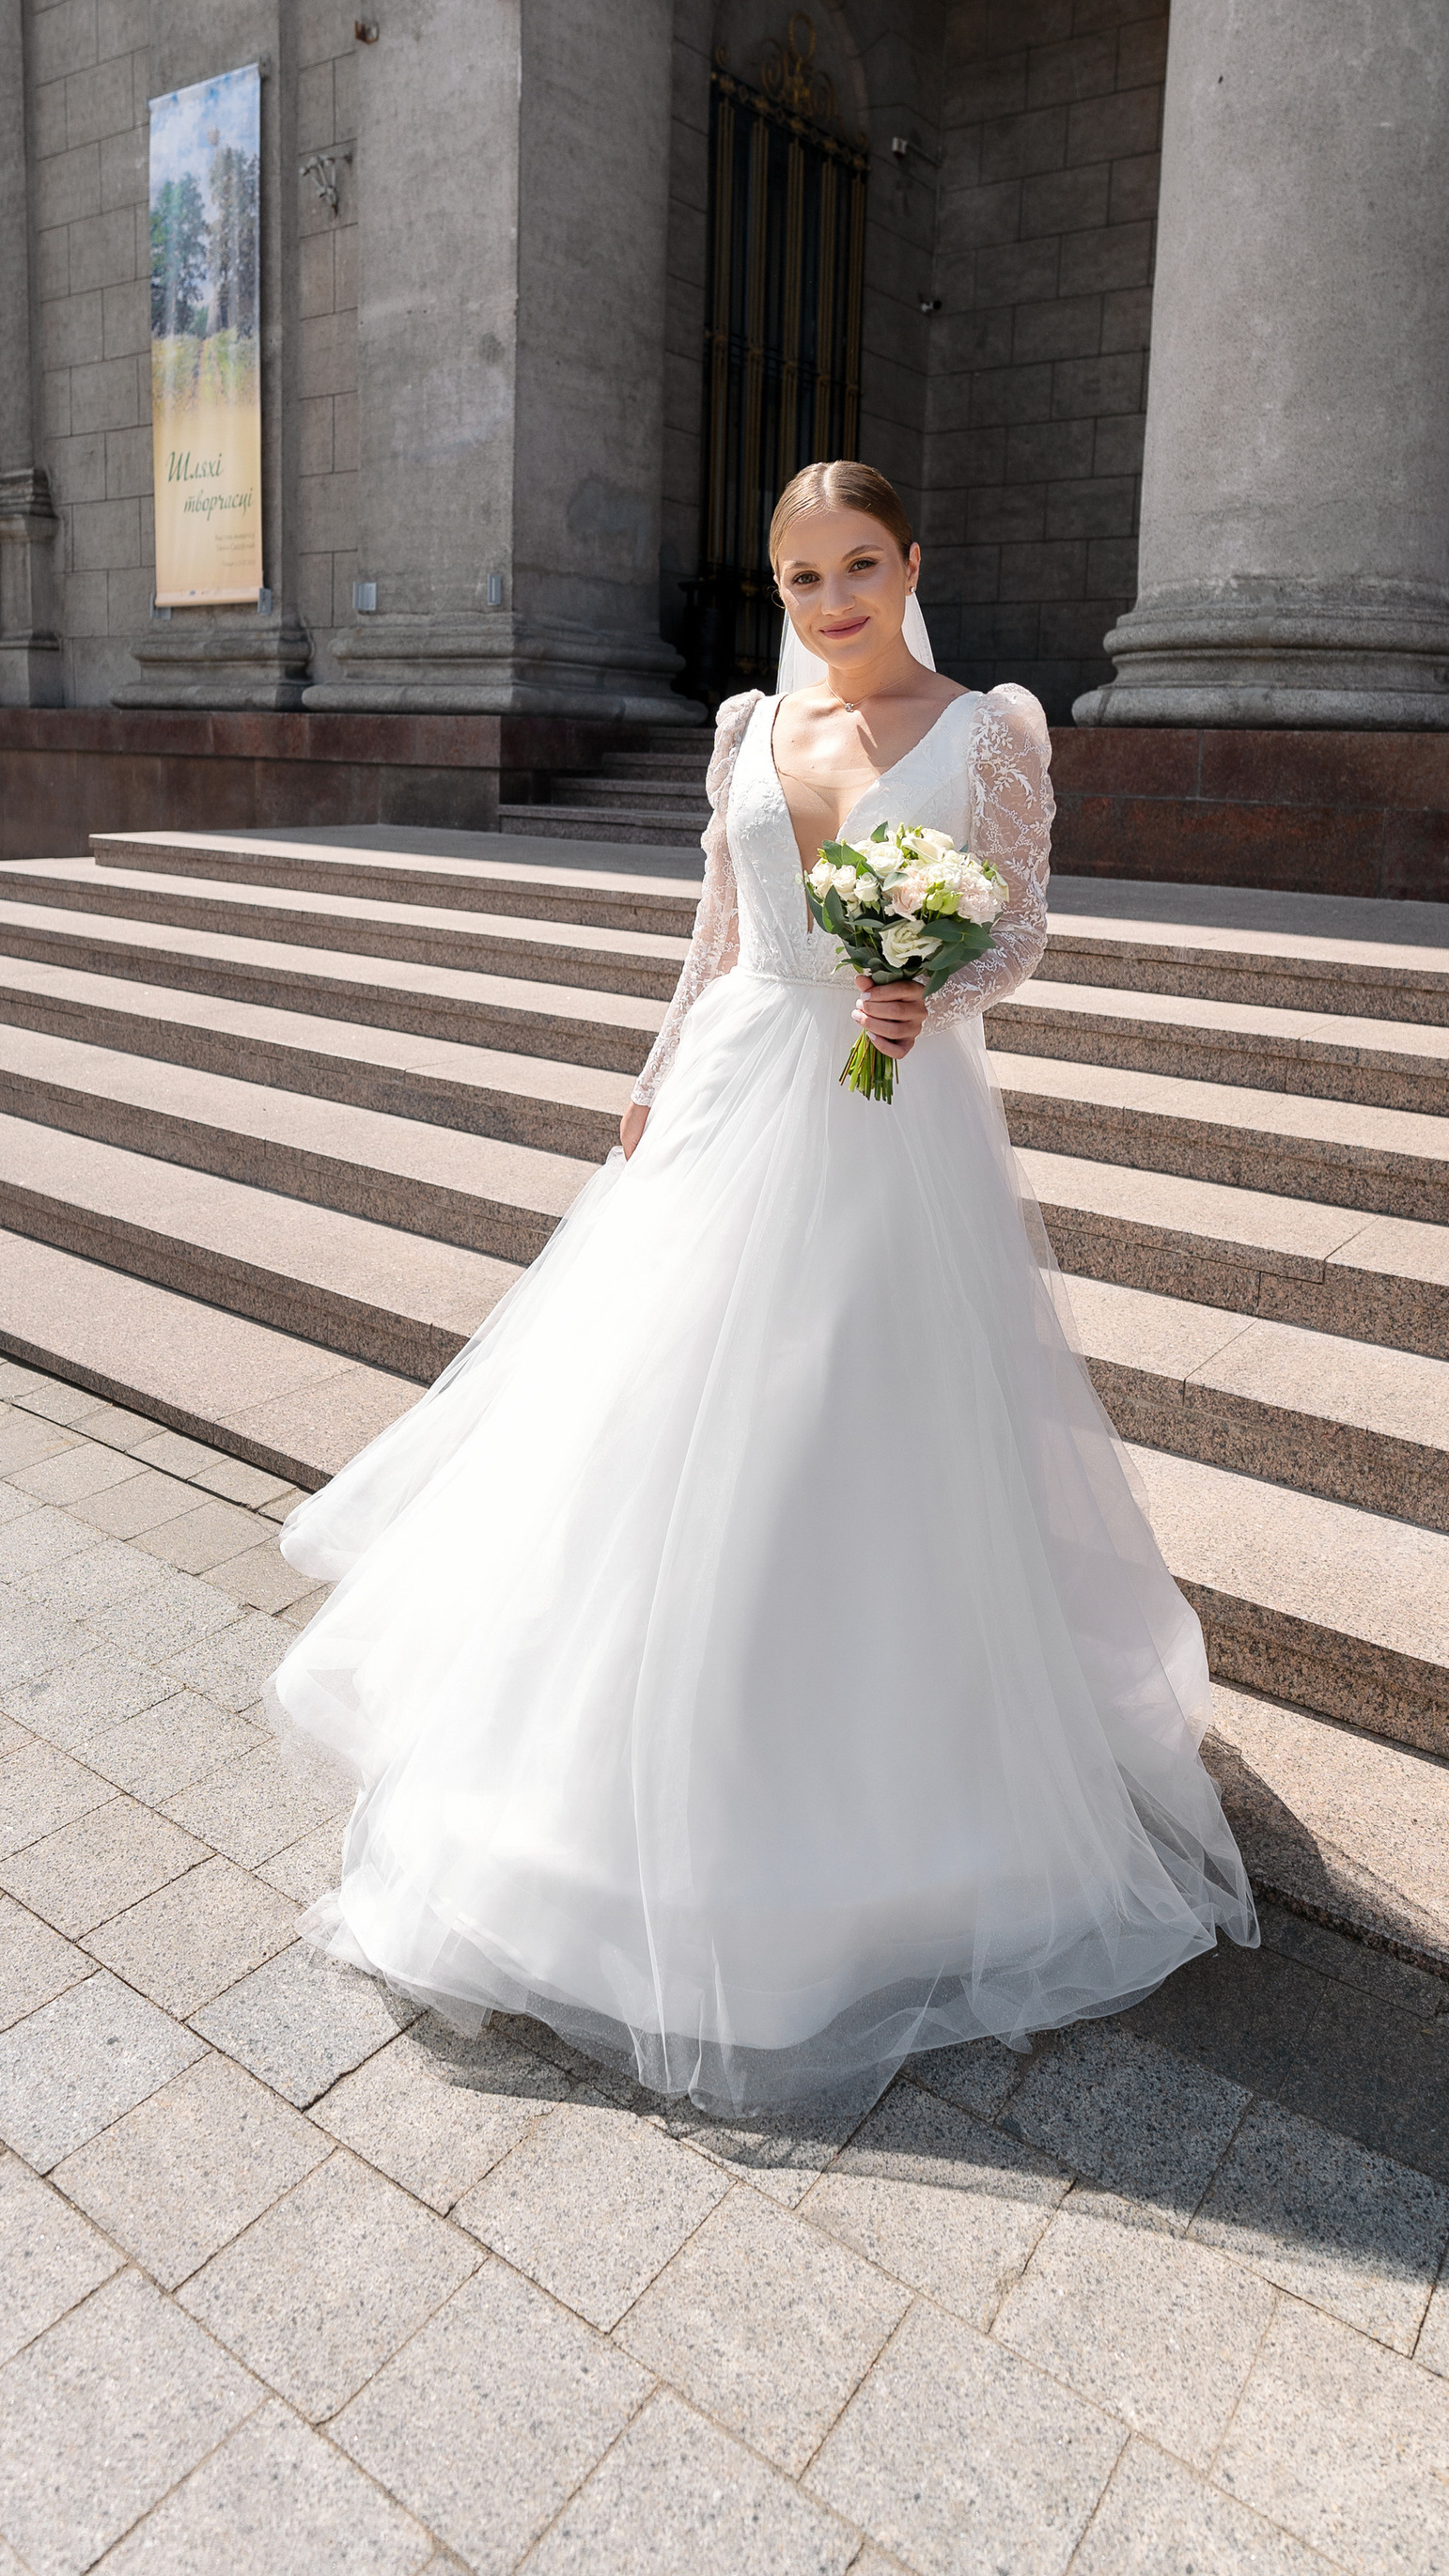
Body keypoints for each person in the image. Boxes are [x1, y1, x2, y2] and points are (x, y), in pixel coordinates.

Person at [269, 458, 1254, 2115]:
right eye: (801, 579)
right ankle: (598, 1806)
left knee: (852, 1423)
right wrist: (651, 1080)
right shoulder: (747, 728)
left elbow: (1018, 929)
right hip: (736, 1092)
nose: (832, 603)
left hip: (888, 1114)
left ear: (910, 562)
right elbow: (715, 934)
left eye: (859, 567)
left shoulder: (989, 729)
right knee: (651, 1422)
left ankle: (865, 1819)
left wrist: (930, 988)